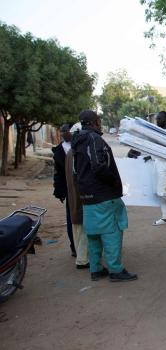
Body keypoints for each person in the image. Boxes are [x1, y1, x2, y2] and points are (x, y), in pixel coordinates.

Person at [72, 110, 137, 282]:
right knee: (112, 232)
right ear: (95, 122)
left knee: (93, 234)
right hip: (104, 195)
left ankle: (96, 269)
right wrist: (115, 183)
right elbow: (99, 166)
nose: (100, 124)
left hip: (87, 197)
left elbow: (76, 171)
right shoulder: (94, 139)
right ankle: (116, 270)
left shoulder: (77, 142)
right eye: (99, 121)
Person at [65, 123, 89, 269]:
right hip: (81, 198)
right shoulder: (77, 153)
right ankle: (83, 260)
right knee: (83, 230)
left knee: (78, 230)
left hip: (74, 197)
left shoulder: (70, 152)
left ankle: (81, 258)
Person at [52, 123, 76, 257]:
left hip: (83, 188)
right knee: (71, 218)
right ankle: (74, 246)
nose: (63, 133)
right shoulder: (59, 151)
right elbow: (57, 174)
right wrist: (59, 192)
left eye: (65, 131)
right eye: (61, 132)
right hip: (69, 190)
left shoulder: (78, 145)